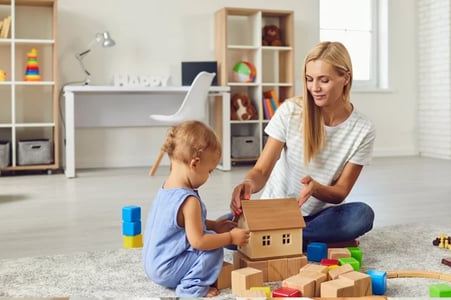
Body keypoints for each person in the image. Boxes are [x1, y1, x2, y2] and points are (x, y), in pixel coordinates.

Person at [230, 41, 376, 245]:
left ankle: (277, 241)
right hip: (276, 212)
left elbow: (341, 192)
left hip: (318, 218)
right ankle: (308, 241)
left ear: (345, 78)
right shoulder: (290, 111)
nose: (314, 88)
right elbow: (262, 170)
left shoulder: (363, 128)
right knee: (224, 228)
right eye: (309, 79)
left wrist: (316, 189)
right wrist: (247, 184)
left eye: (324, 80)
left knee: (362, 215)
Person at [143, 120, 250, 298]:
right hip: (167, 269)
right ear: (195, 163)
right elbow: (198, 242)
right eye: (209, 171)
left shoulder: (166, 188)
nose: (208, 176)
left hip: (153, 264)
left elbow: (181, 223)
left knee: (211, 234)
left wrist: (214, 225)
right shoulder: (189, 200)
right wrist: (230, 237)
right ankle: (191, 288)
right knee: (213, 249)